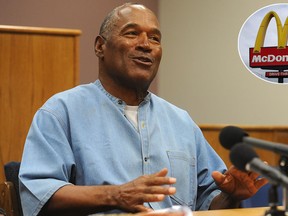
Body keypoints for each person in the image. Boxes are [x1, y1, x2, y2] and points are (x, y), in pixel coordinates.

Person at [19, 3, 268, 216]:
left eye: (155, 38)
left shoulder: (180, 121)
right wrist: (116, 195)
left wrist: (231, 196)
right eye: (132, 34)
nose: (146, 45)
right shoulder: (61, 112)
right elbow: (39, 195)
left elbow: (206, 202)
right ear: (99, 47)